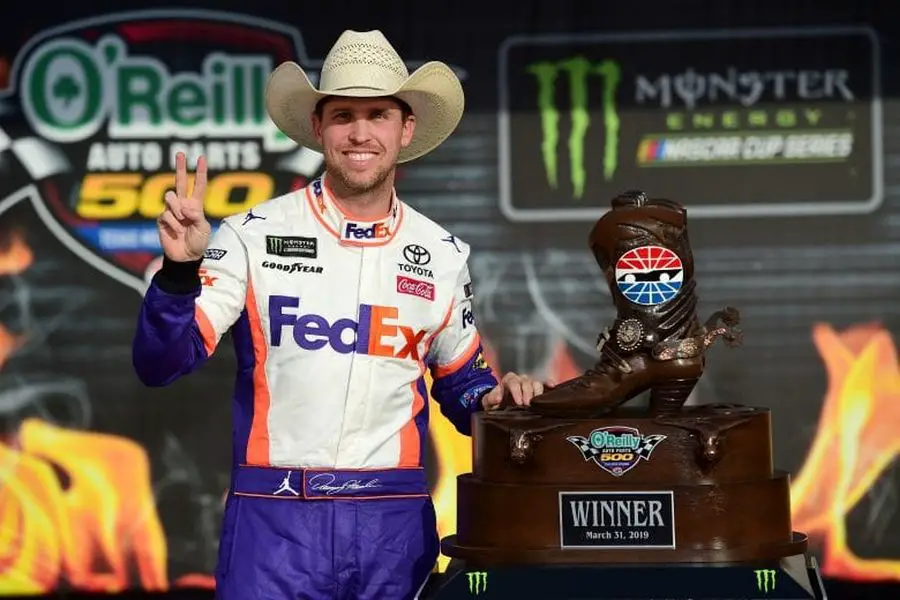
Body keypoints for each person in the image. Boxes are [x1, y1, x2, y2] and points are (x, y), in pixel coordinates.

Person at [132, 29, 544, 600]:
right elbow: (159, 362)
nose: (360, 133)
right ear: (319, 128)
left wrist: (499, 400)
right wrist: (178, 275)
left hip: (392, 523)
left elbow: (464, 386)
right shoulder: (253, 235)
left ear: (406, 129)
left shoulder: (443, 255)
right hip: (274, 522)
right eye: (343, 114)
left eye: (378, 115)